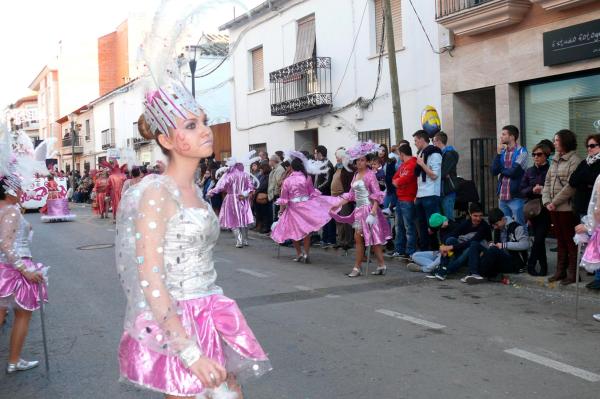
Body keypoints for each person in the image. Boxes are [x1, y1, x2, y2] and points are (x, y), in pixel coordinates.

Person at [117, 77, 270, 399]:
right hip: (178, 324)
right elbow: (150, 280)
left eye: (204, 121)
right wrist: (187, 351)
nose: (205, 130)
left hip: (209, 312)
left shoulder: (195, 191)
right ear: (166, 140)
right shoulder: (157, 191)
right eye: (191, 124)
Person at [0, 132, 49, 374]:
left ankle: (13, 361)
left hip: (5, 269)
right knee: (23, 314)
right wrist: (25, 270)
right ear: (9, 189)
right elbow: (6, 245)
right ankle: (13, 360)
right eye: (18, 186)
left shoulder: (5, 209)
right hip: (11, 270)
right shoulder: (10, 211)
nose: (22, 191)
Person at [330, 141, 392, 277]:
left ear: (367, 162)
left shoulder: (370, 175)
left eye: (362, 160)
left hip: (369, 210)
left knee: (373, 240)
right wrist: (338, 204)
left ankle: (367, 267)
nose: (359, 162)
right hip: (359, 211)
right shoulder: (355, 175)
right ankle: (367, 267)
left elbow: (376, 195)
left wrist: (373, 212)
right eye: (357, 160)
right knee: (359, 238)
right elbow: (351, 195)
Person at [270, 153, 338, 263]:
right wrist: (317, 203)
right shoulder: (307, 177)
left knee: (292, 231)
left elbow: (284, 198)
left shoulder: (287, 181)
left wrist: (281, 211)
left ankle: (299, 253)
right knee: (306, 230)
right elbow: (312, 193)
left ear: (292, 167)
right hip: (306, 207)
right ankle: (306, 254)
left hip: (293, 208)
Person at [542, 129, 581, 285]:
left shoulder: (575, 160)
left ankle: (573, 274)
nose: (554, 143)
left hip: (566, 207)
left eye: (557, 140)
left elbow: (571, 186)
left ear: (565, 141)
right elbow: (547, 182)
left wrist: (554, 202)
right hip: (553, 207)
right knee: (560, 240)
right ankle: (560, 272)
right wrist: (546, 201)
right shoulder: (555, 159)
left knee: (570, 241)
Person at [429, 203, 491, 281]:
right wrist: (444, 246)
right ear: (470, 214)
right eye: (475, 216)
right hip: (462, 247)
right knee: (450, 240)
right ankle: (443, 267)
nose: (478, 219)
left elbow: (472, 241)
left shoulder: (484, 226)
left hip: (475, 252)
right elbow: (454, 233)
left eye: (480, 216)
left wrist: (451, 247)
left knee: (469, 248)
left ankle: (445, 270)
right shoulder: (467, 223)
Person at [208, 152, 258, 248]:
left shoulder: (229, 176)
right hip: (243, 199)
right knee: (244, 219)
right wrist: (244, 194)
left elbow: (221, 187)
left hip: (231, 199)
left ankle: (239, 241)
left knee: (233, 219)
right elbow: (251, 187)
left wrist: (211, 192)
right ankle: (245, 239)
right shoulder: (245, 175)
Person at [471, 208, 529, 283]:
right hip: (500, 257)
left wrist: (504, 245)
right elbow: (496, 245)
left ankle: (478, 273)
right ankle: (474, 273)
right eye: (493, 225)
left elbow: (525, 244)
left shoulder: (517, 227)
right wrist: (491, 244)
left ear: (502, 219)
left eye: (496, 224)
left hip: (514, 262)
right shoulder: (497, 228)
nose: (495, 227)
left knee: (492, 251)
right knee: (474, 244)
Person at [520, 142, 551, 276]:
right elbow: (521, 189)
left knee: (539, 238)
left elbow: (554, 189)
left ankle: (531, 264)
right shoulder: (529, 171)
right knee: (539, 239)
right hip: (532, 209)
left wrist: (543, 190)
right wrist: (532, 189)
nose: (536, 157)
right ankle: (543, 267)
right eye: (534, 154)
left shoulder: (551, 170)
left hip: (546, 208)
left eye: (539, 154)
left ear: (546, 155)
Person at [491, 125, 528, 226]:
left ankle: (522, 242)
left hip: (516, 196)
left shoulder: (522, 152)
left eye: (503, 134)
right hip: (502, 196)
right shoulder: (502, 152)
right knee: (504, 226)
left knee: (519, 225)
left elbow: (513, 172)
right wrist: (498, 154)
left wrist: (501, 170)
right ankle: (505, 243)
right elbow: (494, 171)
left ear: (512, 137)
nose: (501, 137)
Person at [413, 130, 442, 251]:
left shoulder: (435, 154)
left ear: (421, 139)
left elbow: (435, 175)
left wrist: (422, 165)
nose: (414, 143)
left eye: (415, 140)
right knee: (421, 226)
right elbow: (418, 176)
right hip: (421, 194)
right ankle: (424, 251)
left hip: (431, 194)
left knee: (432, 226)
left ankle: (435, 251)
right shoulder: (421, 153)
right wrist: (416, 195)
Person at [390, 144, 417, 260]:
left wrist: (398, 182)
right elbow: (394, 178)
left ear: (401, 154)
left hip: (409, 199)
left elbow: (408, 178)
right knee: (398, 226)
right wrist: (398, 181)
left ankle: (410, 251)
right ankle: (399, 249)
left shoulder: (413, 163)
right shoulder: (403, 165)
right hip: (400, 198)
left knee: (409, 226)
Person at [331, 148, 355, 251]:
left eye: (337, 157)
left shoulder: (348, 168)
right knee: (338, 220)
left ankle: (348, 241)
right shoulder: (338, 167)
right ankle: (340, 240)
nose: (336, 159)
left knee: (346, 219)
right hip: (336, 197)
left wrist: (347, 196)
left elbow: (350, 184)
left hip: (344, 197)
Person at [433, 132, 459, 221]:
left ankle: (451, 235)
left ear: (438, 141)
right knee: (441, 220)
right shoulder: (441, 154)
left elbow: (443, 173)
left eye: (434, 142)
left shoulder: (449, 154)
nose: (433, 144)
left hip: (447, 191)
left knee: (448, 219)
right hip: (441, 191)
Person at [314, 145, 336, 248]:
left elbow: (328, 181)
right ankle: (325, 238)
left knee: (328, 217)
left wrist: (318, 189)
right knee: (323, 217)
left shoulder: (327, 164)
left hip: (326, 194)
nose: (314, 155)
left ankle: (330, 239)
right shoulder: (321, 164)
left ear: (319, 153)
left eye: (315, 153)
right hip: (320, 194)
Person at [254, 163, 273, 234]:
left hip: (264, 195)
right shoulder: (261, 176)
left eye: (261, 169)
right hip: (258, 195)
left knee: (265, 213)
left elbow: (263, 186)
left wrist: (257, 190)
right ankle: (261, 226)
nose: (260, 170)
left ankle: (266, 227)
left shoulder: (267, 176)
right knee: (260, 213)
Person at [267, 154, 286, 222]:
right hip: (274, 194)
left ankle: (277, 229)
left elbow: (278, 183)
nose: (269, 162)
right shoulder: (275, 169)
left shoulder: (279, 169)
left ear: (273, 161)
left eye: (269, 160)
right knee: (275, 213)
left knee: (277, 213)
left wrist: (275, 193)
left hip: (277, 194)